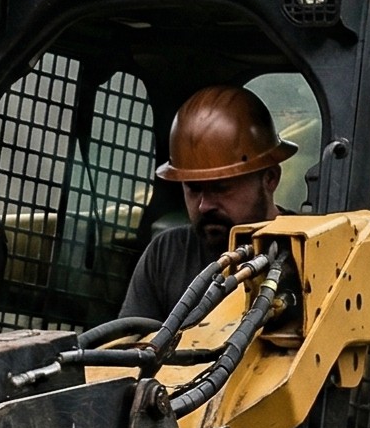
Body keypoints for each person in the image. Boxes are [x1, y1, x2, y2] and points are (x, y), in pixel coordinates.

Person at [122, 84, 296, 322]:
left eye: (221, 188)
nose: (204, 206)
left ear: (270, 178)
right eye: (193, 189)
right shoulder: (167, 255)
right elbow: (130, 347)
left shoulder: (307, 253)